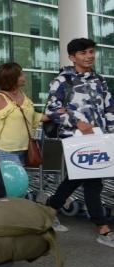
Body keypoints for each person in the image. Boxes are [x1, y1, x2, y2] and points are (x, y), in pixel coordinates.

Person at [44, 38, 114, 243]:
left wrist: (110, 132)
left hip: (98, 137)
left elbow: (109, 108)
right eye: (83, 53)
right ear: (72, 57)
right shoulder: (62, 80)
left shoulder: (99, 79)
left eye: (91, 51)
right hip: (75, 139)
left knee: (77, 179)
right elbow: (51, 110)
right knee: (93, 181)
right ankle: (102, 228)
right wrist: (77, 122)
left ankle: (50, 210)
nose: (89, 56)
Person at [0, 62, 47, 165]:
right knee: (16, 181)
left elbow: (31, 116)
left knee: (21, 180)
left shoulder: (22, 94)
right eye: (21, 74)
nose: (24, 76)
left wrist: (54, 115)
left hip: (25, 150)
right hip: (5, 153)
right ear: (12, 78)